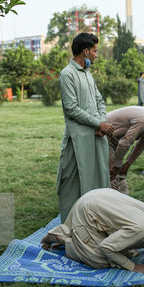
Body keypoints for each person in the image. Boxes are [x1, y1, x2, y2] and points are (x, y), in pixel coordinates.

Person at [41, 188, 144, 275]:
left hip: (103, 194)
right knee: (100, 260)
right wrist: (134, 267)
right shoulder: (140, 233)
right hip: (87, 209)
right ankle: (61, 237)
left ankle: (75, 235)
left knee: (124, 251)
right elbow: (106, 247)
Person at [56, 33, 114, 222]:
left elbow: (99, 101)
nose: (97, 55)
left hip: (96, 137)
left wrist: (101, 122)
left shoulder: (88, 74)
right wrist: (99, 123)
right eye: (95, 51)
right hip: (78, 140)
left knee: (98, 181)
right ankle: (71, 227)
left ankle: (96, 223)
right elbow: (72, 109)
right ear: (86, 51)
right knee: (72, 184)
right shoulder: (67, 75)